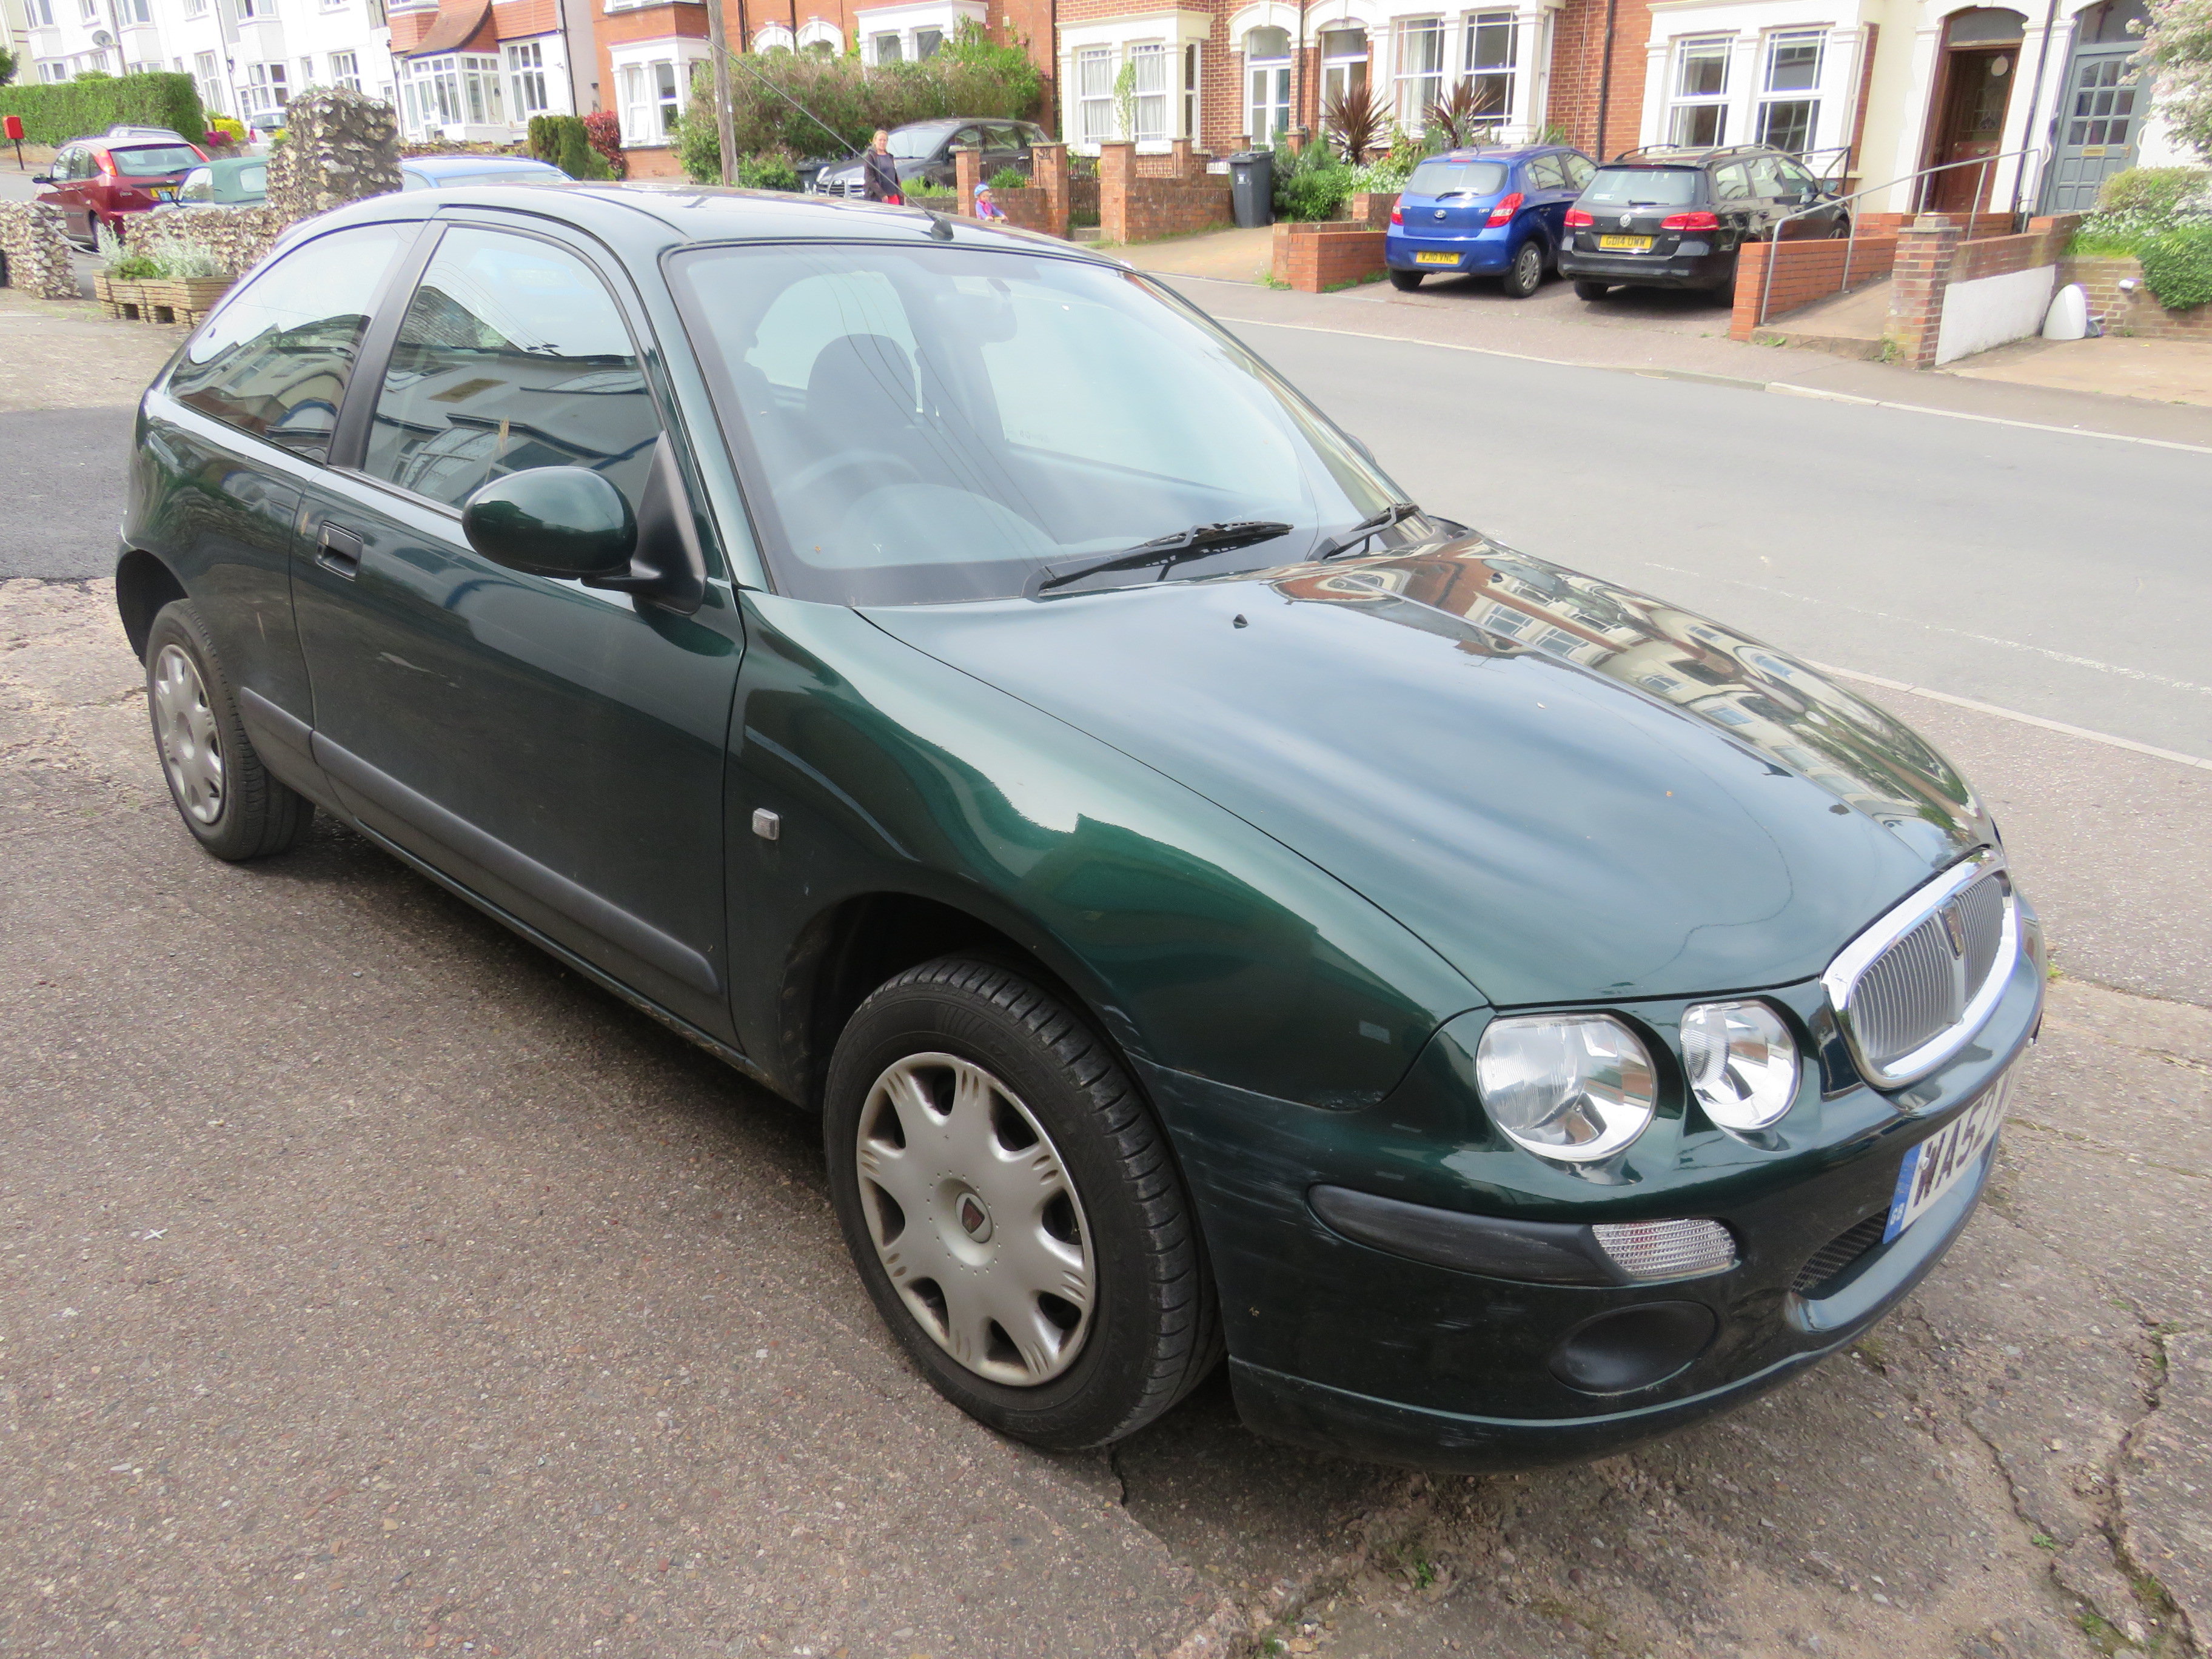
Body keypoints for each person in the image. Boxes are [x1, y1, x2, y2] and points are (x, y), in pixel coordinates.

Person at [861, 130, 902, 205]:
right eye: (880, 140)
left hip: (893, 195)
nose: (882, 143)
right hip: (877, 197)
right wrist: (882, 194)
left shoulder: (889, 157)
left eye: (884, 140)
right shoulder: (870, 157)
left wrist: (900, 194)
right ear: (875, 141)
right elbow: (869, 178)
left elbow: (894, 176)